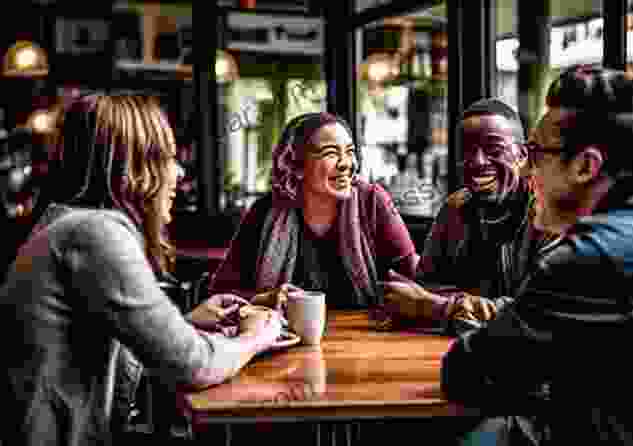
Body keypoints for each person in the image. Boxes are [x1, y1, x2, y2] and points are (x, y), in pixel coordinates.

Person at [0, 94, 284, 446]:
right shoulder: (93, 233)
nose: (177, 174)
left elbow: (98, 344)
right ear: (136, 168)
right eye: (167, 158)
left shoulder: (64, 224)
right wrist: (256, 336)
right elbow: (194, 366)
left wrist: (187, 324)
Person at [441, 66, 633, 444]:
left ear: (586, 166)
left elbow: (466, 371)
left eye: (535, 153)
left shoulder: (592, 257)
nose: (526, 169)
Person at [377, 98, 557, 331]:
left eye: (494, 149)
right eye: (467, 150)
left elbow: (538, 313)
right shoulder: (455, 208)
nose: (477, 161)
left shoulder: (550, 216)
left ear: (523, 155)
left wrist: (439, 308)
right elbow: (427, 288)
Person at [208, 111, 418, 309]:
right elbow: (221, 293)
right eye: (331, 153)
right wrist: (262, 299)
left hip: (371, 339)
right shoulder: (265, 211)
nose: (347, 164)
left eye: (350, 152)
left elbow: (416, 282)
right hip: (286, 338)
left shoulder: (372, 202)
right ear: (296, 165)